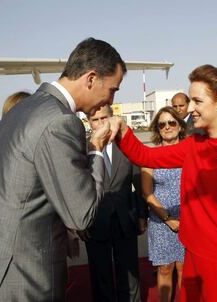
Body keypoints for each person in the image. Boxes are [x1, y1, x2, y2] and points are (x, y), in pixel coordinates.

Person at [0, 37, 126, 301]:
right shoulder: (60, 122)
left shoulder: (22, 110)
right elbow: (82, 215)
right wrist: (96, 148)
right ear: (91, 78)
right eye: (113, 89)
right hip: (25, 275)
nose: (109, 100)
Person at [109, 64, 217, 301]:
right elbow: (146, 156)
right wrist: (122, 129)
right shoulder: (194, 145)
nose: (190, 108)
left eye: (197, 101)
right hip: (193, 255)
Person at [80, 105, 147, 302]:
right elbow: (77, 188)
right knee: (101, 277)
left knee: (130, 275)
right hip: (95, 222)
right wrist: (79, 221)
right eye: (95, 120)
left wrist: (142, 214)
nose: (100, 124)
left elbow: (138, 179)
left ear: (112, 118)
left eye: (103, 118)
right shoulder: (81, 150)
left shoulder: (126, 144)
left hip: (125, 219)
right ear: (89, 123)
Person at [141, 106, 186, 301]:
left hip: (189, 220)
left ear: (180, 126)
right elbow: (147, 193)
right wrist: (168, 219)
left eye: (171, 122)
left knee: (185, 268)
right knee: (165, 268)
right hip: (161, 221)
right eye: (162, 124)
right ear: (157, 129)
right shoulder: (150, 156)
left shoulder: (191, 153)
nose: (167, 127)